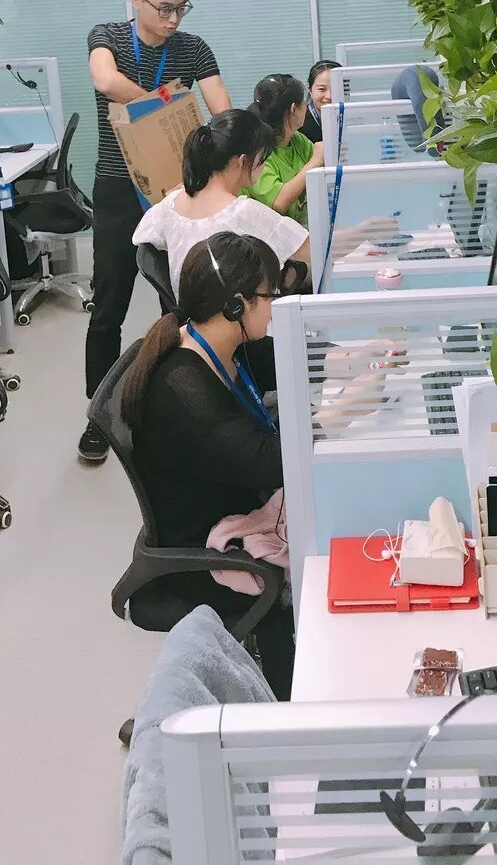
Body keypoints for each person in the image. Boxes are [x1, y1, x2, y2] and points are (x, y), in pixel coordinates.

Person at [120, 232, 294, 697]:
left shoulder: (220, 346)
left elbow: (284, 358)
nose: (274, 307)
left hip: (230, 509)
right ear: (237, 305)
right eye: (269, 296)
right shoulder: (183, 389)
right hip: (206, 553)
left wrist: (348, 358)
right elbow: (269, 465)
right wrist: (340, 411)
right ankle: (285, 709)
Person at [83, 0, 231, 464]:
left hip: (176, 192)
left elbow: (221, 109)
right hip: (117, 189)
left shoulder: (192, 48)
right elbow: (105, 81)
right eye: (164, 8)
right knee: (109, 303)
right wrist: (164, 103)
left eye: (181, 8)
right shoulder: (107, 36)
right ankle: (97, 417)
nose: (173, 20)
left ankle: (185, 407)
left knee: (182, 303)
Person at [133, 110, 311, 301]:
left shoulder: (170, 205)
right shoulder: (243, 212)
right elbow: (312, 251)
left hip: (193, 310)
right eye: (262, 160)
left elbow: (141, 239)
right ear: (242, 161)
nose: (264, 167)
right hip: (239, 313)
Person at [246, 74, 322, 226]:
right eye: (304, 102)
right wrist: (315, 162)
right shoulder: (257, 150)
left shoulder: (296, 138)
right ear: (294, 109)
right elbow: (278, 202)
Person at [299, 60, 341, 145]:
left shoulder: (353, 119)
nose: (329, 96)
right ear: (310, 90)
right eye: (322, 89)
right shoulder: (299, 123)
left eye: (335, 89)